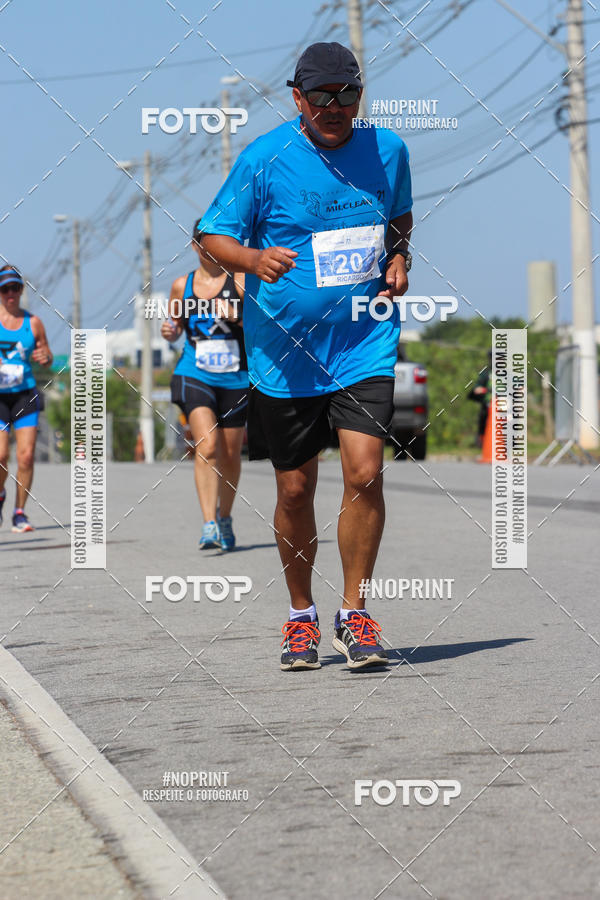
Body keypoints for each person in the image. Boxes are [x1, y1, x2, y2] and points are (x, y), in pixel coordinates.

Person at [198, 42, 413, 670]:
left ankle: (355, 612)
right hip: (284, 354)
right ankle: (300, 615)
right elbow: (209, 235)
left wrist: (399, 258)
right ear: (297, 98)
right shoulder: (264, 159)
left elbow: (399, 217)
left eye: (347, 96)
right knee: (295, 488)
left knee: (364, 473)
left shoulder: (389, 150)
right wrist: (251, 258)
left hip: (363, 342)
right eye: (321, 97)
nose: (335, 108)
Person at [161, 219, 248, 551]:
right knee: (207, 446)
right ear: (195, 246)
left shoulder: (240, 280)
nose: (210, 249)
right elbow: (174, 327)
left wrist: (237, 316)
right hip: (195, 373)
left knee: (230, 454)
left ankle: (225, 517)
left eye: (217, 242)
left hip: (236, 376)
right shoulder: (181, 285)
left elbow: (263, 323)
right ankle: (209, 524)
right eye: (204, 243)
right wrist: (169, 331)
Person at [0, 265, 52, 532]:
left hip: (25, 396)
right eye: (5, 289)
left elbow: (47, 355)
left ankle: (19, 512)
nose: (10, 293)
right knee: (0, 455)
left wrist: (45, 357)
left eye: (15, 288)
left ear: (21, 290)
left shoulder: (33, 323)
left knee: (27, 456)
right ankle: (0, 493)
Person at [468, 351, 492, 448]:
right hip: (489, 403)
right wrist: (481, 389)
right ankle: (481, 439)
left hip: (504, 403)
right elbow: (477, 387)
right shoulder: (486, 374)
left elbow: (517, 385)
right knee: (483, 416)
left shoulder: (508, 374)